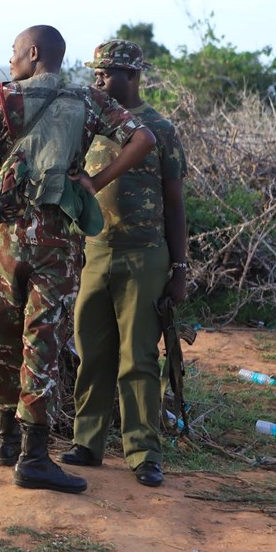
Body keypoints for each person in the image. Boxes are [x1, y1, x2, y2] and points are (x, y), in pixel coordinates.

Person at [0, 25, 156, 493]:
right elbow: (143, 137)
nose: (11, 62)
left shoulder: (5, 98)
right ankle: (33, 455)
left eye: (14, 53)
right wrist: (96, 178)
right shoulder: (87, 99)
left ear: (33, 53)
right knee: (43, 343)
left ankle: (5, 439)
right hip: (57, 243)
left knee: (4, 333)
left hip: (6, 238)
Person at [61, 40, 188, 488]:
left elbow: (175, 205)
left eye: (107, 72)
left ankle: (143, 454)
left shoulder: (161, 130)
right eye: (95, 72)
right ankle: (87, 443)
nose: (98, 80)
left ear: (132, 76)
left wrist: (180, 269)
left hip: (145, 255)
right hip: (96, 253)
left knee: (138, 359)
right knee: (92, 353)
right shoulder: (90, 125)